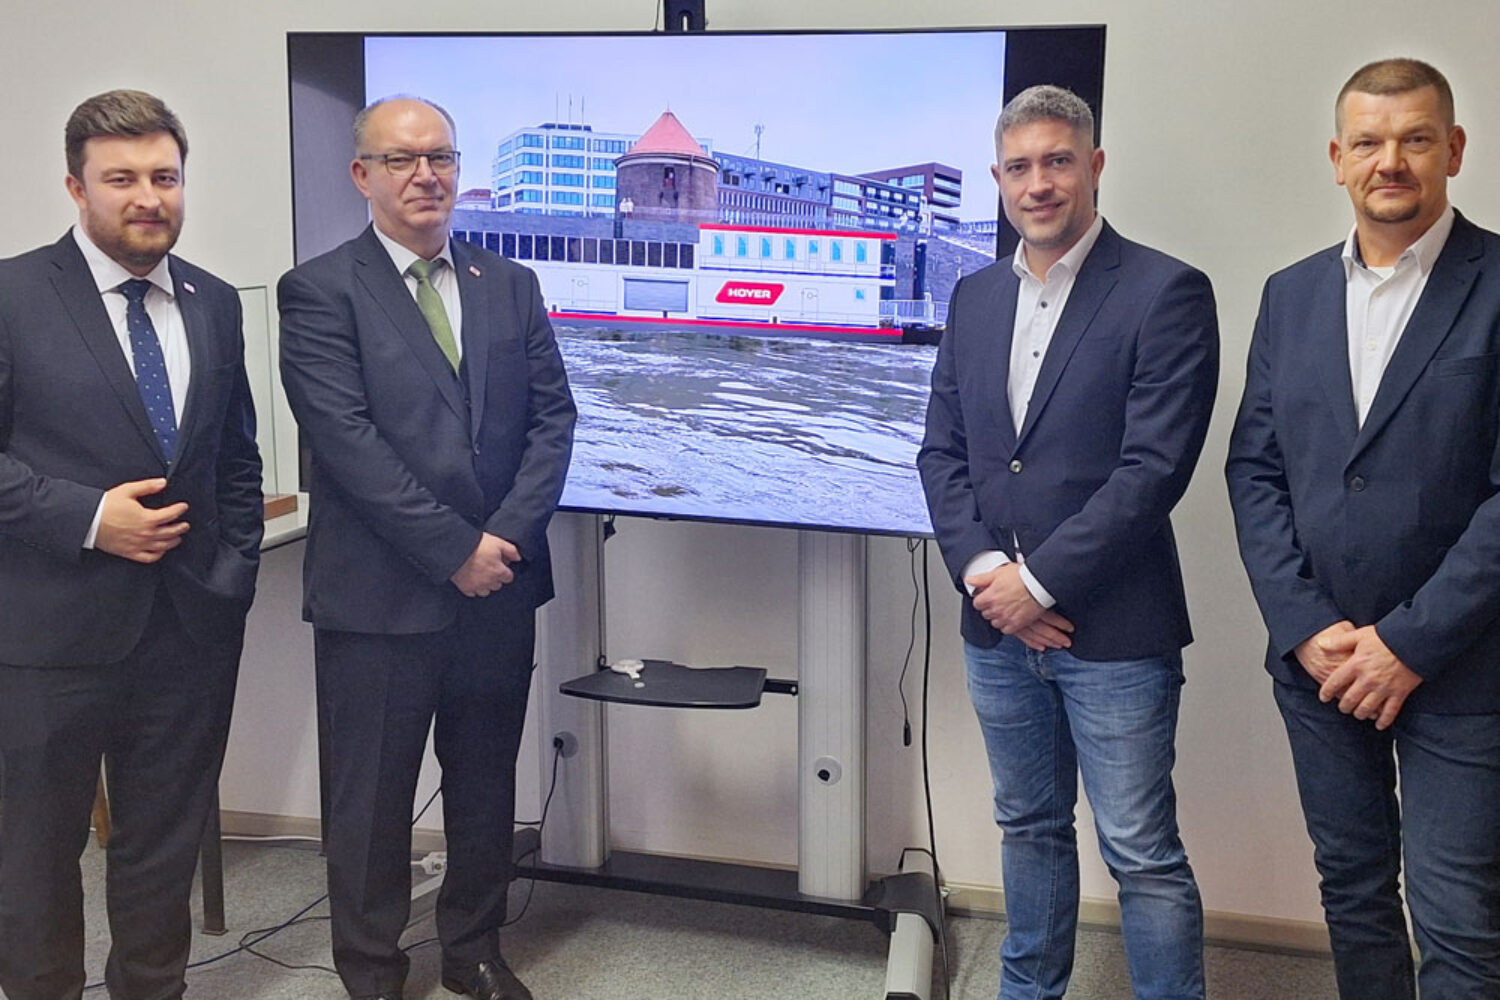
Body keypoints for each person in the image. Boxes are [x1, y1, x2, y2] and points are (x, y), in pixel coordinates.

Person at [918, 84, 1218, 1000]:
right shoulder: (972, 297)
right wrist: (988, 577)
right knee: (1030, 827)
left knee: (1141, 850)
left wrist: (1036, 585)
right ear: (998, 179)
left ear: (1093, 166)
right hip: (996, 634)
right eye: (1019, 166)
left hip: (1116, 633)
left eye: (1057, 161)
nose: (1038, 184)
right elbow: (943, 454)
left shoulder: (1166, 290)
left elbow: (1152, 471)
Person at [278, 96, 575, 1000]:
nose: (426, 176)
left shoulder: (508, 283)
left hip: (499, 593)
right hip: (378, 599)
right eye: (401, 160)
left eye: (440, 157)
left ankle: (474, 951)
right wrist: (454, 549)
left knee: (485, 787)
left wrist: (503, 543)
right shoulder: (319, 291)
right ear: (362, 175)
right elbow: (347, 444)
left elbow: (552, 423)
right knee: (369, 804)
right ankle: (371, 971)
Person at [1226, 57, 1500, 1000]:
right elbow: (1254, 470)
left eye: (1417, 139)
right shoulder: (1290, 294)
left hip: (1463, 667)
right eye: (1371, 143)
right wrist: (1305, 626)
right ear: (1337, 159)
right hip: (1323, 663)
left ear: (1454, 150)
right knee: (1352, 892)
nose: (1393, 161)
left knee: (1459, 914)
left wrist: (1408, 643)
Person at [0, 89, 263, 1000]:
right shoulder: (11, 295)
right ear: (76, 187)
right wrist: (86, 516)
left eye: (165, 176)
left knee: (161, 845)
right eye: (122, 179)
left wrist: (233, 577)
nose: (147, 196)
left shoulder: (216, 303)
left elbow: (235, 455)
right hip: (46, 637)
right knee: (35, 853)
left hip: (189, 629)